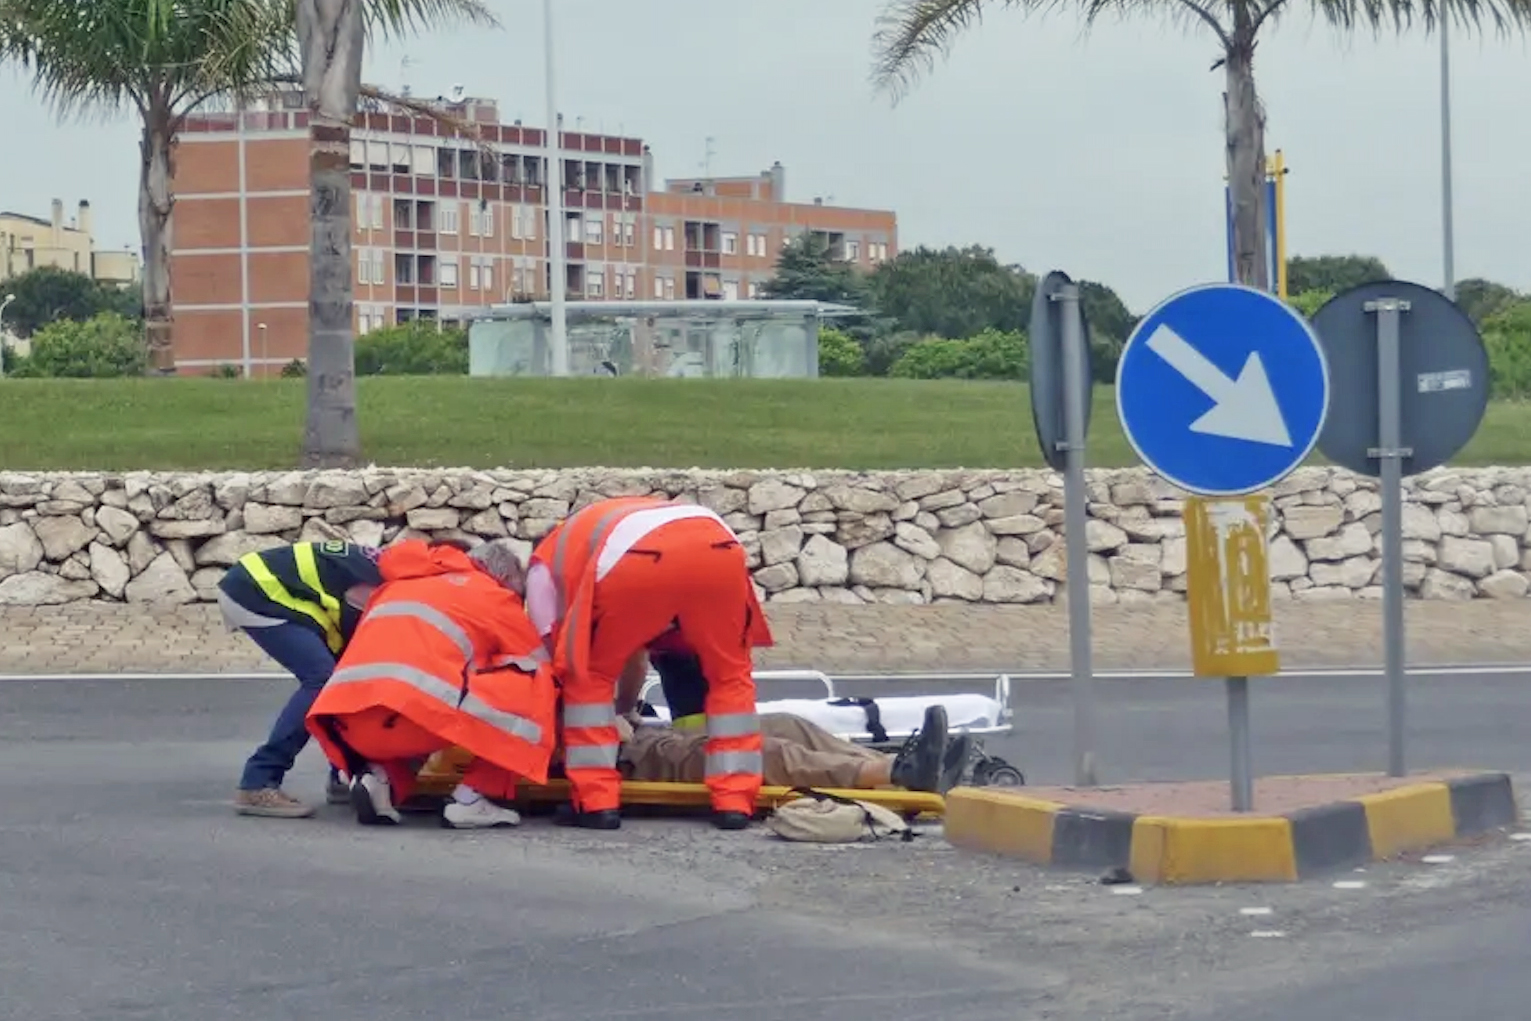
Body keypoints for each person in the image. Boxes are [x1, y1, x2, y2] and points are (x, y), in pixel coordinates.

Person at [525, 496, 773, 832]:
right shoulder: (597, 528)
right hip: (718, 545)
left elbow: (554, 659)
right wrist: (624, 710)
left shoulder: (543, 566)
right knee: (731, 675)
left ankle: (595, 802)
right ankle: (736, 802)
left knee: (588, 675)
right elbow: (636, 655)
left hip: (636, 560)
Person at [306, 537, 559, 830]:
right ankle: (472, 799)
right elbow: (539, 662)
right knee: (536, 682)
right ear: (502, 577)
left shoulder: (397, 586)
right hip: (414, 719)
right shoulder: (492, 595)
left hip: (346, 721)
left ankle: (379, 779)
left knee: (424, 690)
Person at [219, 538, 384, 818]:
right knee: (322, 680)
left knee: (341, 679)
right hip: (258, 593)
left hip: (259, 584)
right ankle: (258, 782)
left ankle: (344, 775)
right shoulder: (380, 586)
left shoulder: (392, 566)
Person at [619, 704, 973, 797]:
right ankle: (896, 771)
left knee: (786, 725)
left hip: (629, 731)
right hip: (615, 755)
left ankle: (907, 769)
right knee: (751, 753)